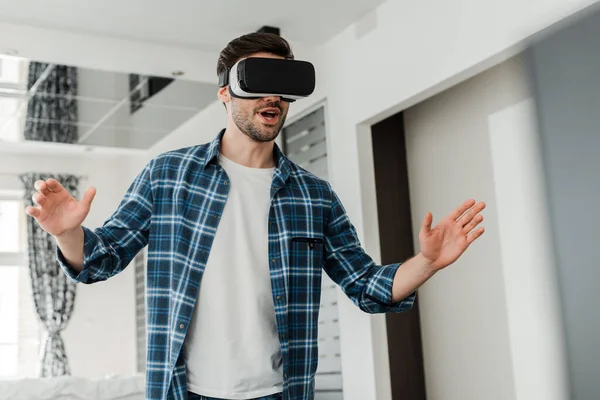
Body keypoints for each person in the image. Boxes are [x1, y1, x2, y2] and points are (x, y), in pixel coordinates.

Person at [25, 33, 485, 400]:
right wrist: (68, 233)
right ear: (226, 92)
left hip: (279, 393)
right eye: (258, 81)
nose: (275, 97)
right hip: (183, 391)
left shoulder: (314, 196)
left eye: (284, 87)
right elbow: (101, 258)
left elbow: (366, 286)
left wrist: (425, 262)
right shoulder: (168, 175)